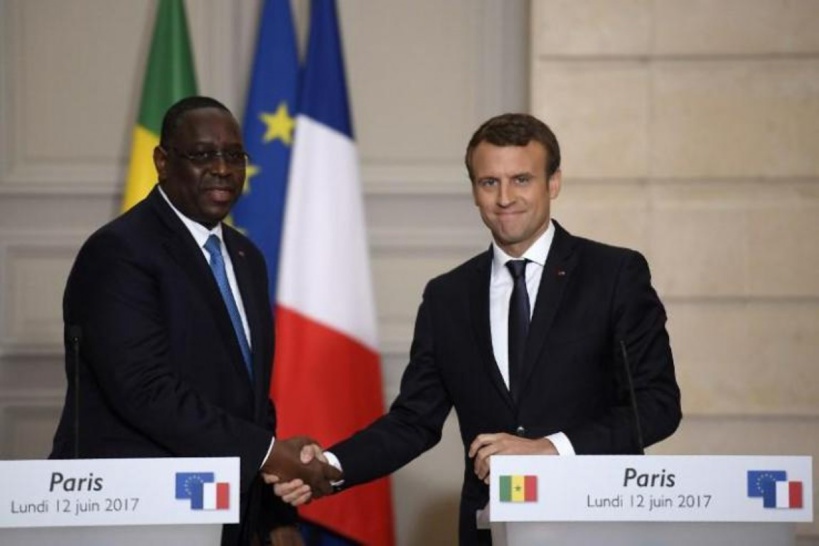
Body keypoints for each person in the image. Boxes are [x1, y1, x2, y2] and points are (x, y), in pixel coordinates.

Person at [271, 113, 682, 545]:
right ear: (474, 190)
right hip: (490, 531)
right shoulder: (447, 296)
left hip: (595, 524)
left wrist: (549, 448)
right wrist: (330, 466)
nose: (505, 198)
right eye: (489, 182)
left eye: (521, 179)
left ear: (553, 183)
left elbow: (657, 405)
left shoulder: (614, 274)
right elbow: (413, 421)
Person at [50, 96, 339, 546]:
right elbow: (145, 390)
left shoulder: (245, 257)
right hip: (133, 512)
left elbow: (249, 397)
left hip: (225, 512)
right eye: (203, 155)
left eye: (234, 156)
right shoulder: (120, 252)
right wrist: (270, 455)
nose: (222, 169)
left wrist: (275, 513)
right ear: (162, 162)